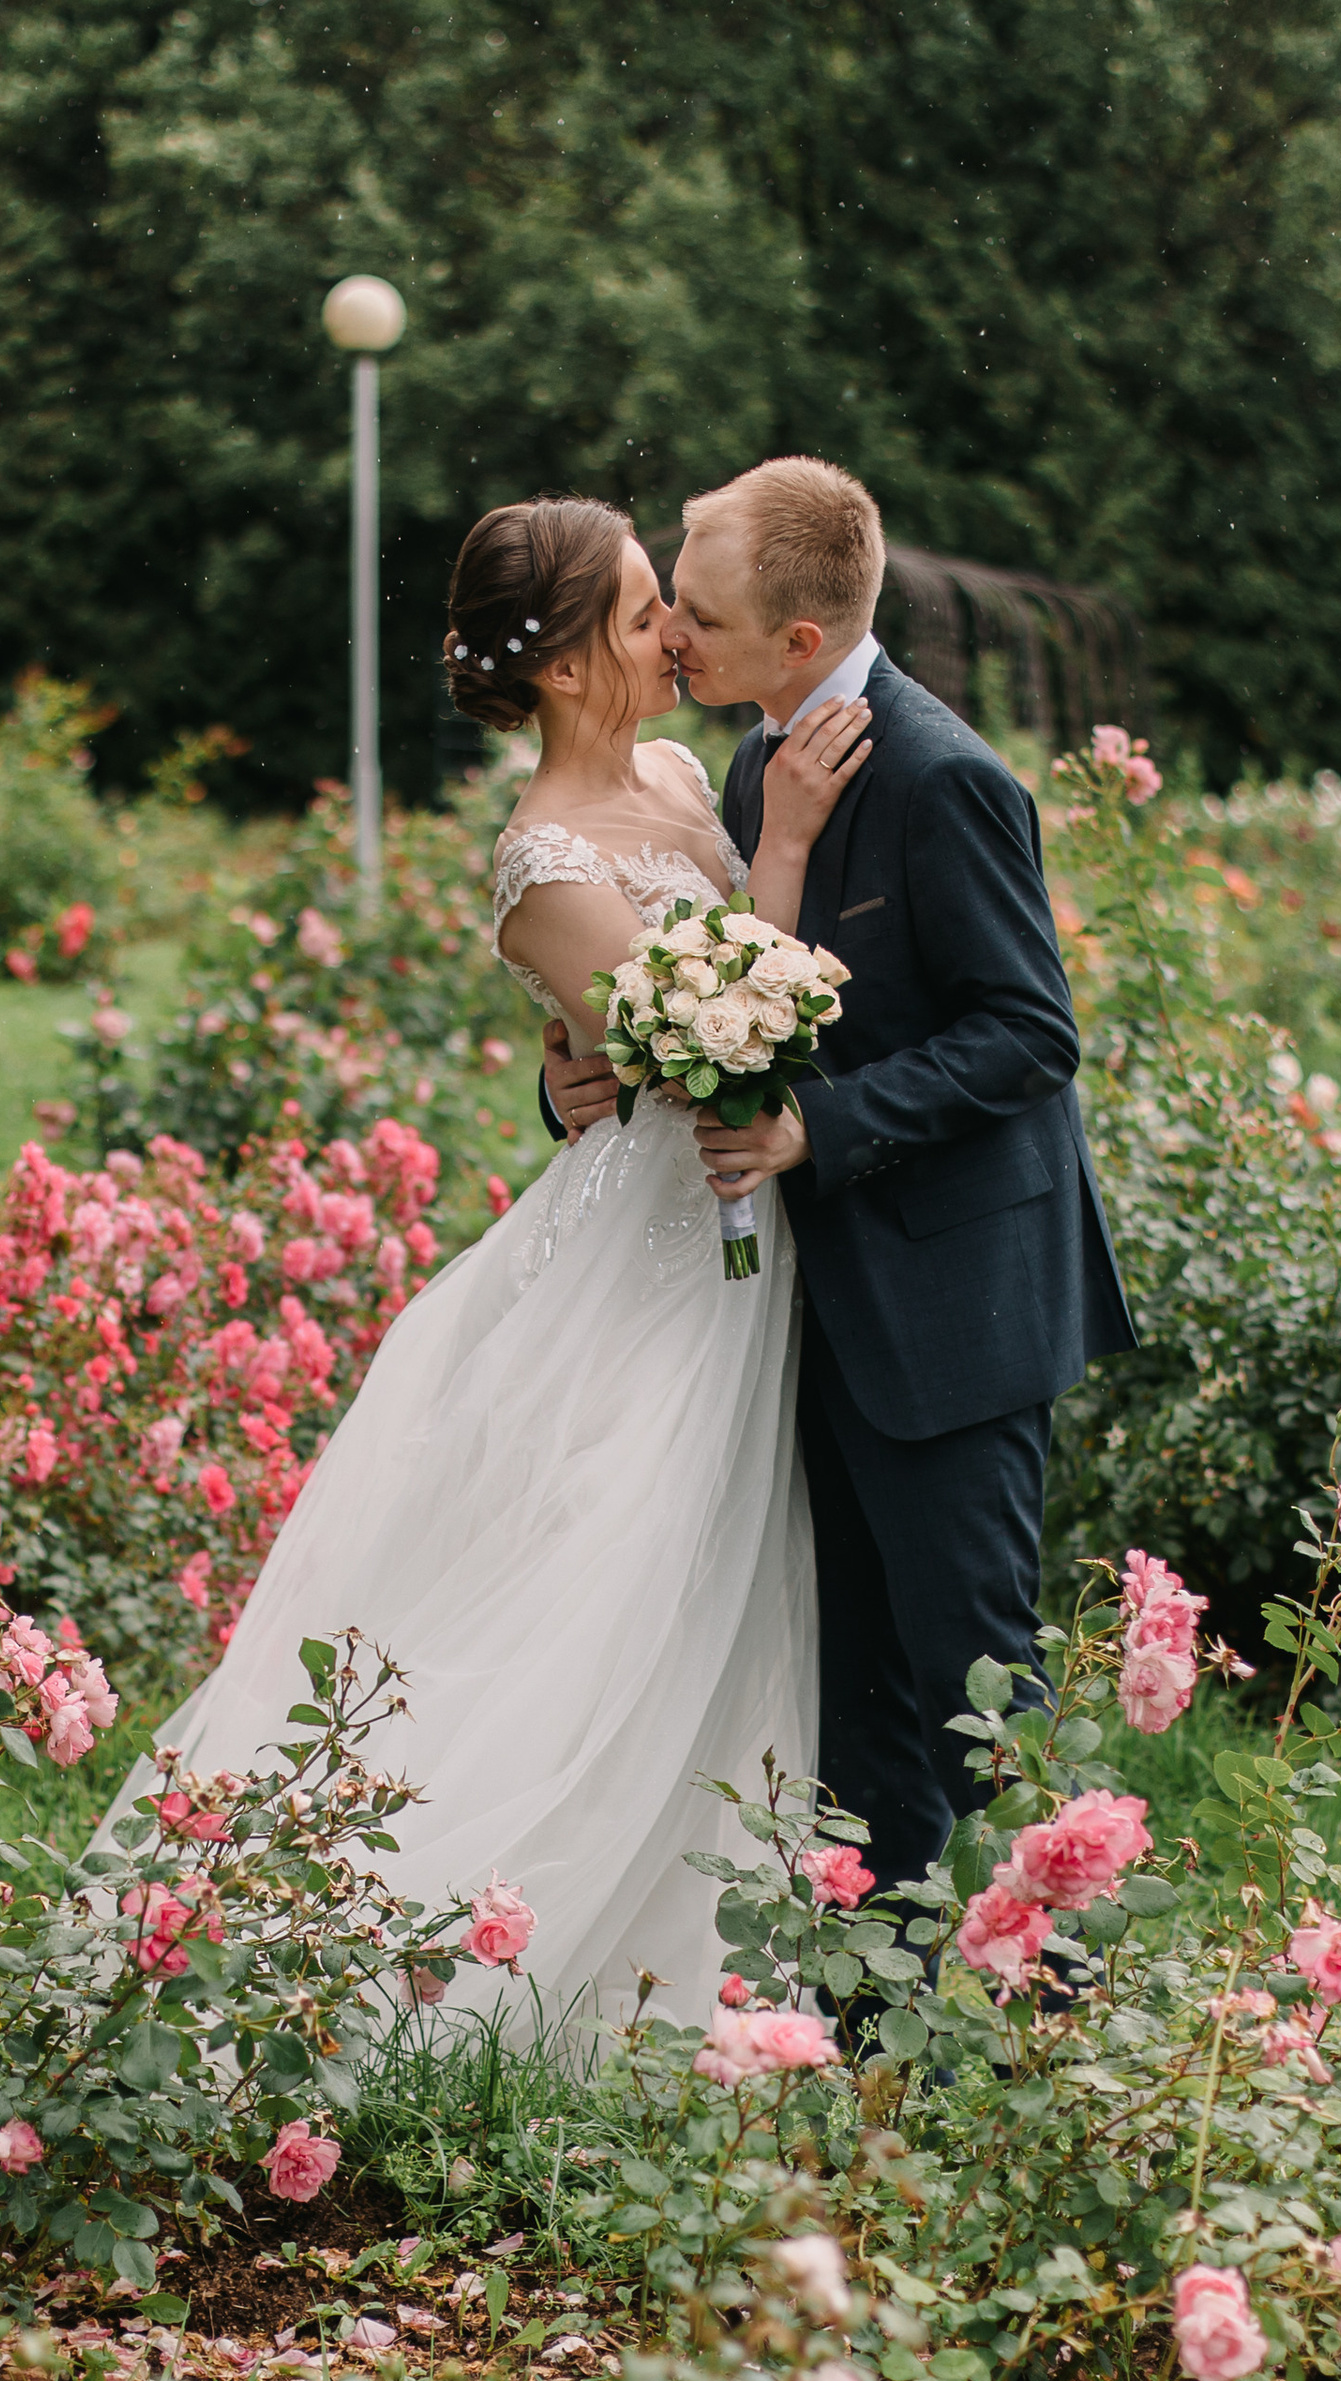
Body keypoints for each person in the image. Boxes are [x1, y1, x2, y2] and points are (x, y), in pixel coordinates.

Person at [97, 496, 866, 2029]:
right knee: (617, 1565)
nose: (672, 633)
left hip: (730, 1221)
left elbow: (641, 1025)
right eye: (649, 611)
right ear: (576, 665)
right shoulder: (543, 859)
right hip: (657, 1254)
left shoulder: (668, 767)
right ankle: (434, 1961)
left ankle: (701, 1936)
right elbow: (727, 1055)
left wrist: (579, 1043)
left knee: (705, 1569)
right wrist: (779, 843)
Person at [543, 457, 1136, 1916]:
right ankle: (879, 2038)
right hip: (815, 1310)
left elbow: (1029, 1036)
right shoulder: (759, 759)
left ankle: (1075, 2017)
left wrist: (822, 1127)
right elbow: (721, 986)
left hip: (952, 1311)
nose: (671, 632)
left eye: (698, 612)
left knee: (984, 1690)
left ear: (799, 642)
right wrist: (591, 1078)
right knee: (858, 1699)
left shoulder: (946, 779)